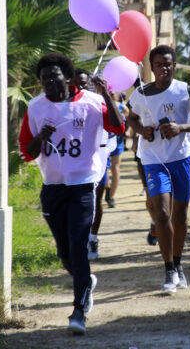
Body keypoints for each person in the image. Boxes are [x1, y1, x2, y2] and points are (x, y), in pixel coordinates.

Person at [18, 53, 124, 333]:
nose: (49, 82)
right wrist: (41, 137)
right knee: (64, 252)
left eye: (54, 76)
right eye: (43, 79)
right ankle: (86, 281)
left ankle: (78, 311)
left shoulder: (91, 102)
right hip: (52, 186)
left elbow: (118, 126)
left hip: (82, 184)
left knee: (78, 246)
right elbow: (27, 153)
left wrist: (107, 96)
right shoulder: (36, 107)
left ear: (67, 77)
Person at [128, 45, 190, 293]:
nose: (164, 68)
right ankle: (168, 270)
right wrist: (140, 129)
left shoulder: (185, 91)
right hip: (153, 159)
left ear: (174, 65)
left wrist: (181, 127)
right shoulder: (141, 93)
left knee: (180, 216)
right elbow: (131, 117)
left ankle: (178, 263)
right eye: (158, 65)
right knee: (162, 212)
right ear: (152, 67)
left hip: (180, 159)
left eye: (168, 64)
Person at [73, 69, 117, 260]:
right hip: (75, 162)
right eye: (78, 84)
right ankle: (77, 240)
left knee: (95, 201)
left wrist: (106, 94)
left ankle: (93, 237)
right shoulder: (67, 105)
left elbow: (118, 125)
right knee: (76, 203)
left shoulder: (97, 102)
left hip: (98, 158)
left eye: (85, 83)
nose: (82, 87)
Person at [105, 91, 130, 208]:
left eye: (113, 91)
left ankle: (111, 197)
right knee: (104, 170)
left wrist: (128, 131)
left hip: (117, 142)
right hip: (103, 143)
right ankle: (107, 189)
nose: (111, 92)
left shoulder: (122, 107)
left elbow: (130, 121)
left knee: (115, 169)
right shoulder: (101, 104)